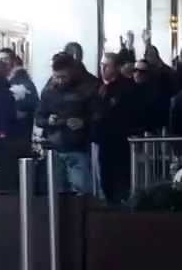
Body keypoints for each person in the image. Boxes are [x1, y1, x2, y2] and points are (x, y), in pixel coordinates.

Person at [37, 54, 97, 195]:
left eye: (63, 77)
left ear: (71, 73)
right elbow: (39, 118)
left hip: (77, 148)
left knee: (81, 191)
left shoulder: (85, 90)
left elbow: (98, 115)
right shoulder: (48, 92)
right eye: (56, 77)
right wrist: (48, 121)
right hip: (54, 148)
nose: (59, 81)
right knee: (56, 193)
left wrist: (83, 122)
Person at [95, 51, 140, 203]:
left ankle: (121, 202)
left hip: (121, 138)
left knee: (121, 174)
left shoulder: (127, 87)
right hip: (102, 139)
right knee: (105, 173)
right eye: (102, 65)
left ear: (117, 67)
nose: (103, 69)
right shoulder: (97, 86)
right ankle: (109, 200)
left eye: (107, 66)